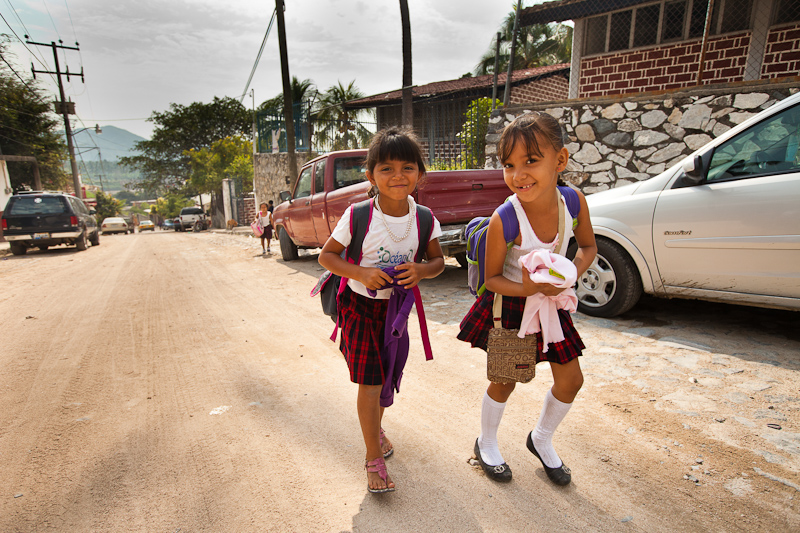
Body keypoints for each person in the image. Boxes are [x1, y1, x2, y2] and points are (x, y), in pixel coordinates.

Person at [457, 112, 597, 485]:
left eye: (531, 161)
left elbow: (587, 248)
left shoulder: (574, 201)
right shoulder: (507, 218)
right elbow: (492, 281)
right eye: (509, 165)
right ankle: (486, 442)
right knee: (507, 379)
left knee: (571, 380)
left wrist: (569, 276)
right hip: (513, 306)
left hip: (552, 303)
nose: (518, 174)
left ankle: (541, 438)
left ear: (560, 160)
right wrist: (533, 287)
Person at [318, 127, 445, 494]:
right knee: (371, 383)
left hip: (396, 315)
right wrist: (360, 273)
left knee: (385, 379)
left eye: (407, 167)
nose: (398, 176)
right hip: (359, 308)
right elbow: (328, 256)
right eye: (386, 169)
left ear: (420, 174)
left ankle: (375, 427)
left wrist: (421, 270)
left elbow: (436, 261)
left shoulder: (423, 218)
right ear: (370, 175)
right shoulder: (359, 215)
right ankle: (373, 458)